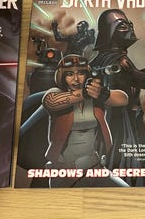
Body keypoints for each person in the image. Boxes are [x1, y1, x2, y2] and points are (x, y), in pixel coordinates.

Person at [89, 9, 145, 185]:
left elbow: (129, 79)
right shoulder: (120, 61)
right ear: (109, 32)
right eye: (122, 26)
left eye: (129, 24)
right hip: (122, 129)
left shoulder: (100, 59)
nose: (129, 29)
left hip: (113, 126)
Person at [42, 54, 128, 187]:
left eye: (81, 73)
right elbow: (51, 101)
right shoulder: (56, 92)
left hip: (94, 166)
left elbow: (123, 99)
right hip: (66, 172)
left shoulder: (95, 95)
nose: (76, 79)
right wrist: (84, 93)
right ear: (62, 76)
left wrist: (102, 93)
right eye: (69, 74)